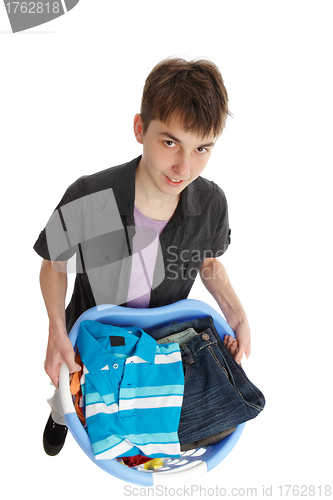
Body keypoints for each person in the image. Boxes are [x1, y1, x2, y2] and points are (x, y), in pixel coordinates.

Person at [34, 57, 251, 456]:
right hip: (89, 339)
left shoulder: (212, 203)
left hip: (158, 344)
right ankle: (59, 415)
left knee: (141, 421)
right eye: (170, 142)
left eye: (201, 148)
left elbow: (209, 263)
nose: (184, 167)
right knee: (71, 396)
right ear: (140, 129)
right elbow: (54, 262)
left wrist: (236, 314)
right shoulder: (89, 196)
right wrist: (54, 329)